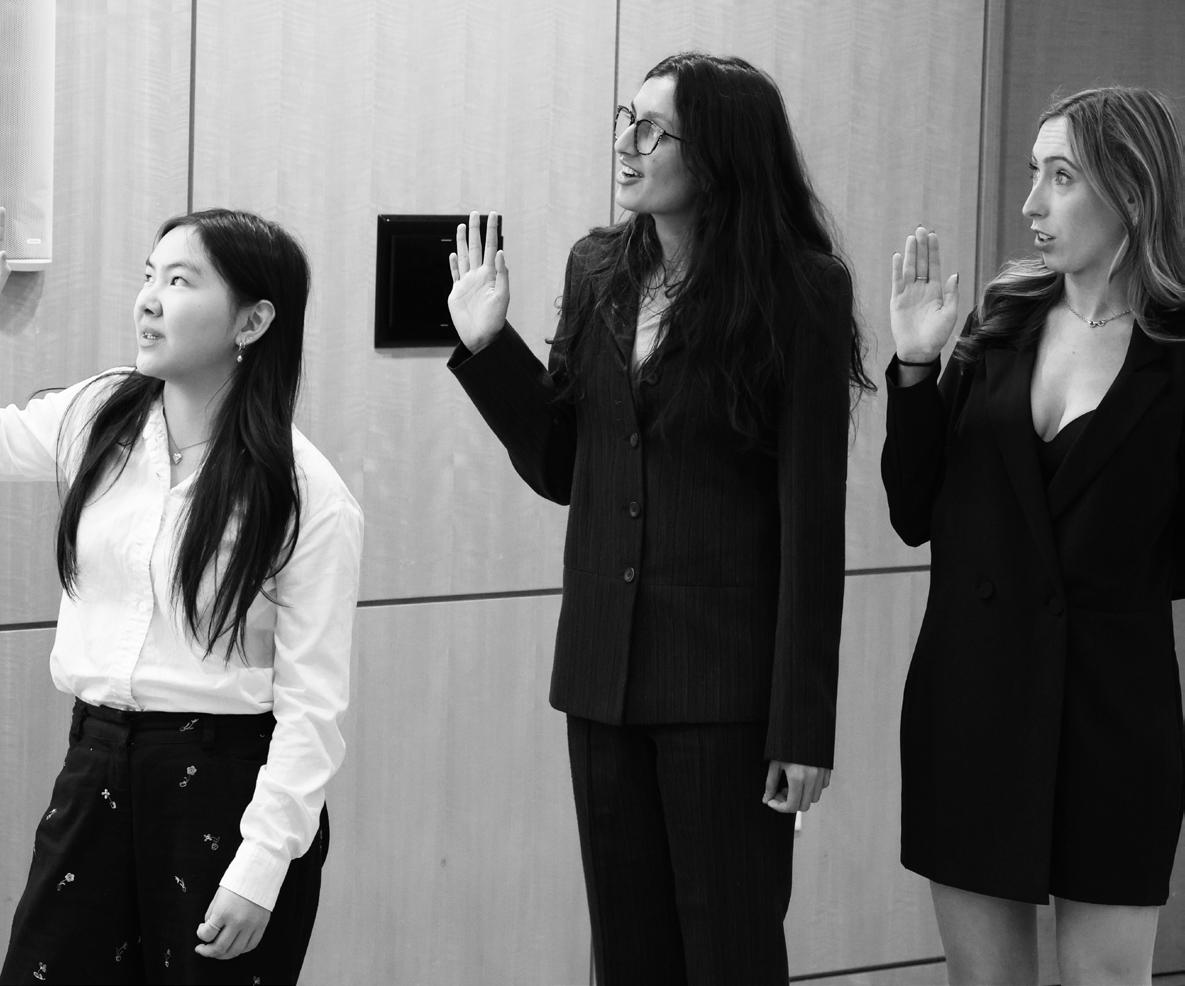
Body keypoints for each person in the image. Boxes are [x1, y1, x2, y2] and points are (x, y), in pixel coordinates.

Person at [446, 52, 871, 986]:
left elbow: (811, 524)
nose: (626, 144)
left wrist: (802, 727)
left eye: (651, 129)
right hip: (602, 678)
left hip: (726, 690)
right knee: (627, 957)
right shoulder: (597, 266)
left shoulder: (799, 290)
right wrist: (488, 346)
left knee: (729, 955)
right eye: (623, 120)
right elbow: (564, 467)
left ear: (717, 154)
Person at [0, 208, 363, 985]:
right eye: (148, 276)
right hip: (95, 769)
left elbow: (313, 707)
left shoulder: (306, 493)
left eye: (179, 280)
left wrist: (261, 867)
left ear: (253, 321)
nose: (148, 299)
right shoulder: (97, 415)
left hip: (223, 794)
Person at [882, 86, 1185, 986]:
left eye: (1060, 177)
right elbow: (911, 511)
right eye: (1031, 174)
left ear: (1131, 190)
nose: (1030, 205)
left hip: (1111, 716)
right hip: (972, 700)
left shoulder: (1176, 353)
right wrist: (915, 365)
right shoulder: (1000, 322)